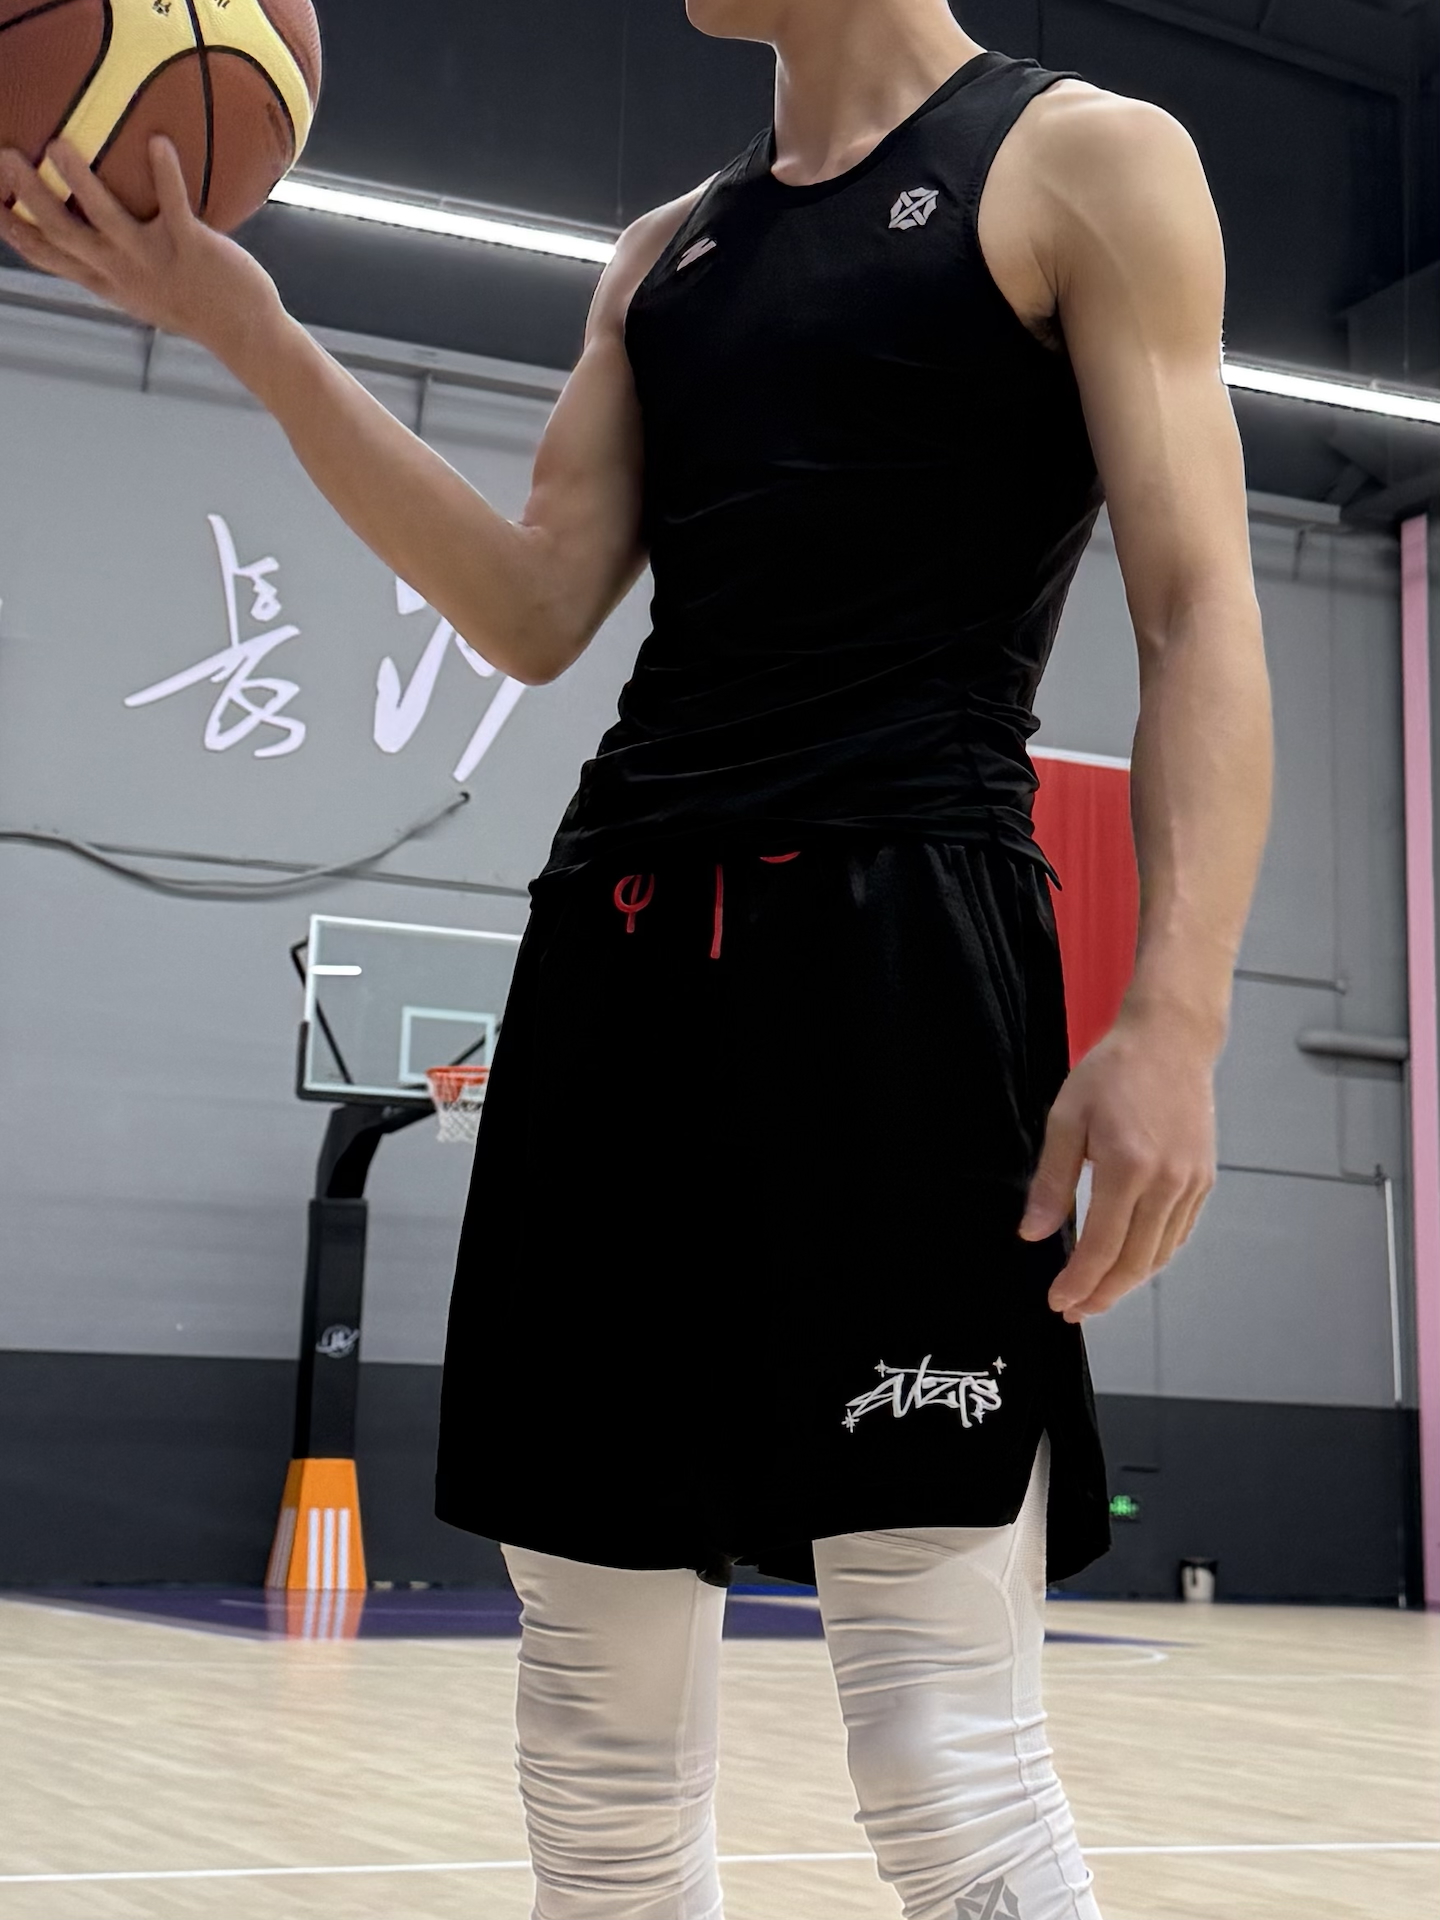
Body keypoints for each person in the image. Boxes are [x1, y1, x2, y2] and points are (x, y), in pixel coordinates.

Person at [0, 2, 1272, 1914]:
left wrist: (1177, 1010)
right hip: (617, 952)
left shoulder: (1085, 161)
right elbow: (531, 607)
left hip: (903, 958)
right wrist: (246, 327)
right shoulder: (664, 252)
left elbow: (1197, 606)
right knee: (597, 1767)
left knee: (944, 1753)